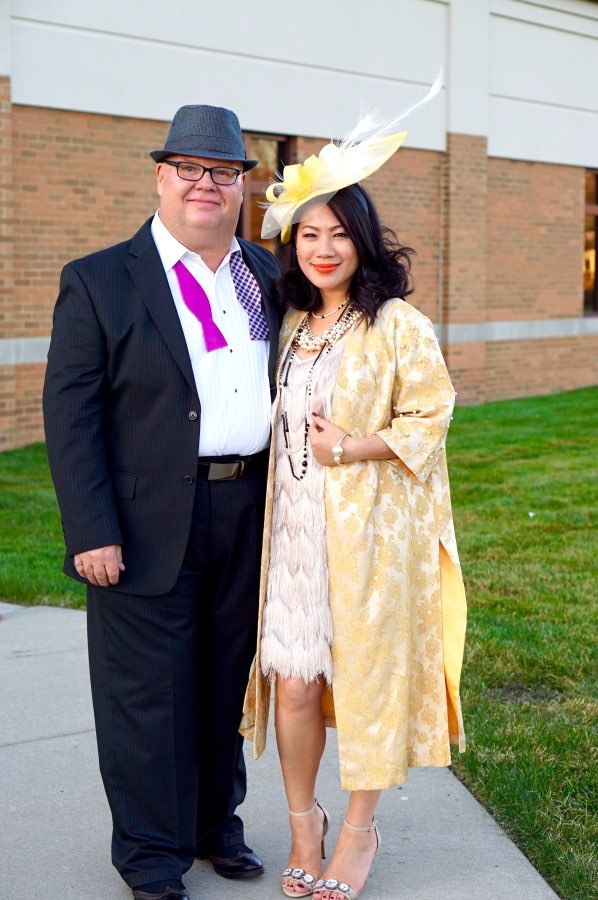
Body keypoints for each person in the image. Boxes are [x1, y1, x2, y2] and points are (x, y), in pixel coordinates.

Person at [43, 105, 281, 900]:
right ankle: (151, 857)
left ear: (242, 186)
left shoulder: (268, 277)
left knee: (226, 682)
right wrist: (91, 530)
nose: (206, 185)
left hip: (250, 513)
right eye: (190, 169)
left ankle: (217, 828)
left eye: (224, 172)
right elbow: (70, 418)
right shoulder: (101, 278)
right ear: (161, 177)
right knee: (146, 699)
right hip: (143, 524)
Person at [241, 100, 467, 900]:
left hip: (369, 533)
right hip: (297, 531)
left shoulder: (398, 324)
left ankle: (361, 829)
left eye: (339, 233)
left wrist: (352, 446)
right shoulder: (293, 324)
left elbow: (431, 416)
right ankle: (307, 823)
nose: (324, 248)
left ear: (361, 239)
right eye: (309, 234)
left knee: (364, 678)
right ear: (292, 244)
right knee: (295, 682)